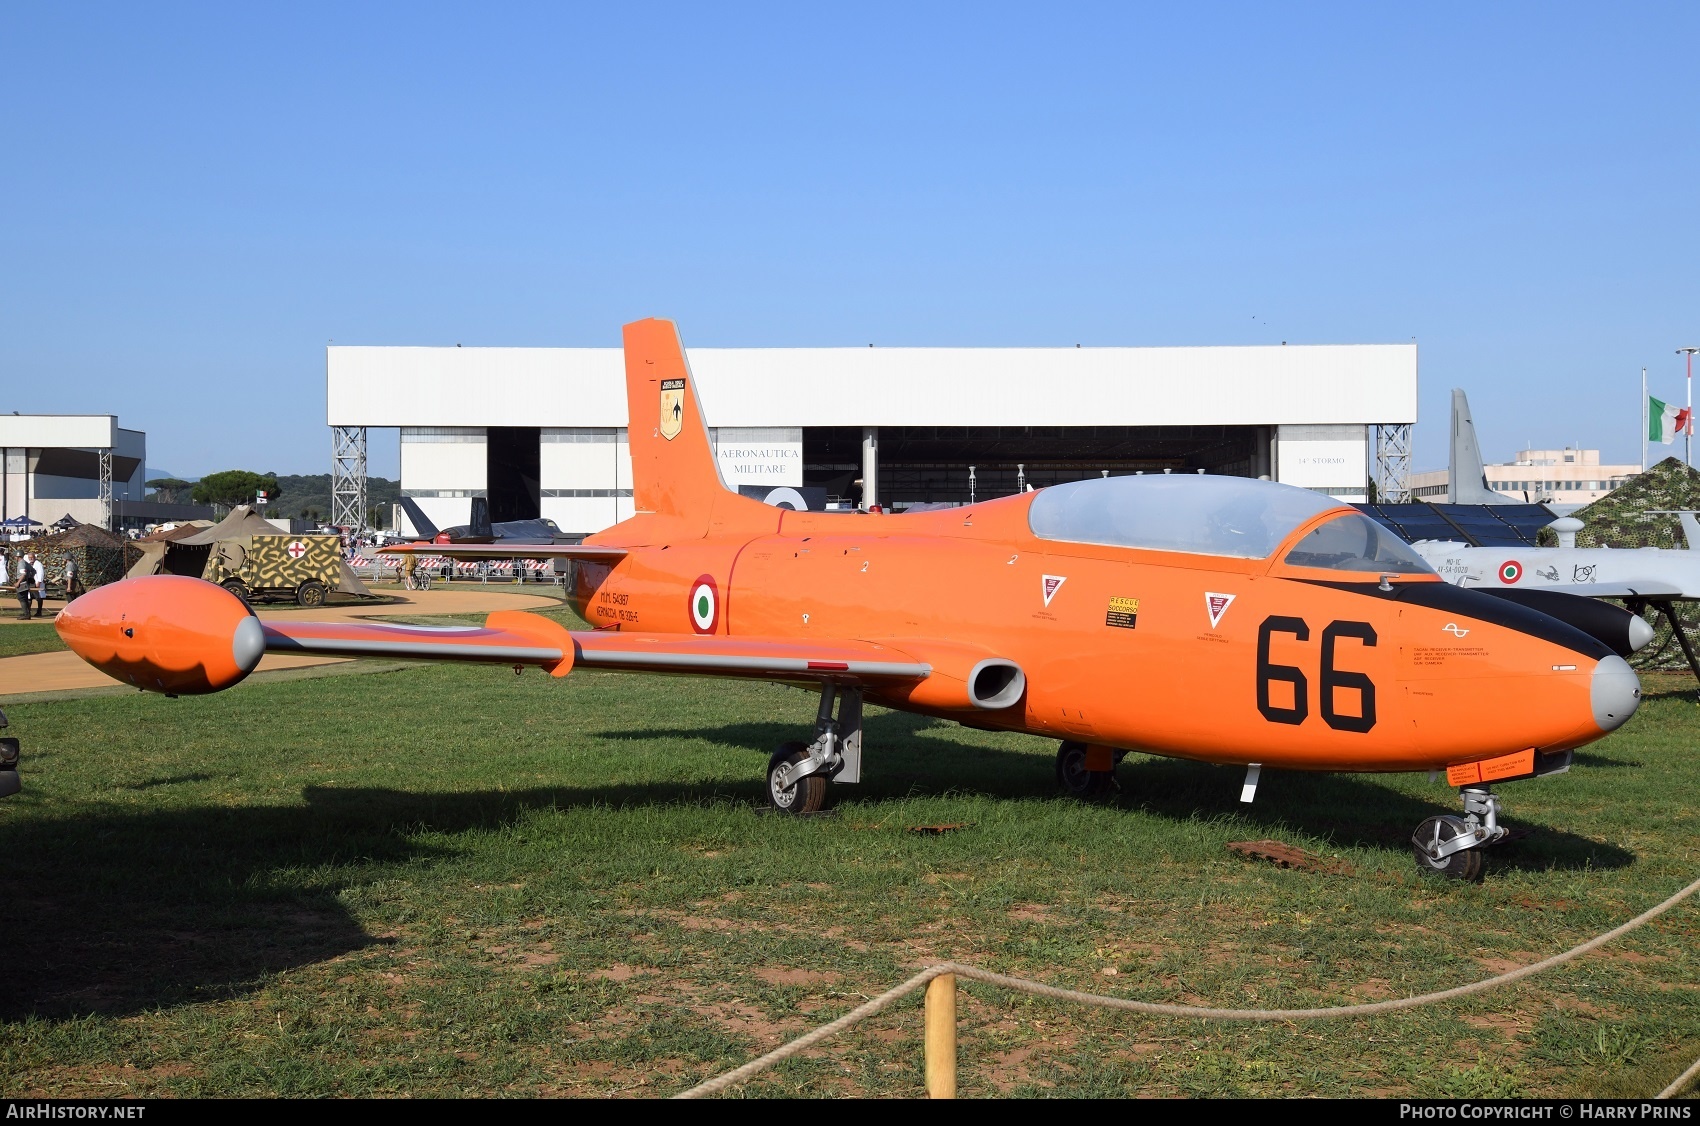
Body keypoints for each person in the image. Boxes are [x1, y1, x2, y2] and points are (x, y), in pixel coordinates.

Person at [15, 552, 36, 620]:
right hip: (25, 582)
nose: (15, 558)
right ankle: (27, 613)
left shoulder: (21, 563)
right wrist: (30, 577)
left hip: (22, 582)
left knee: (22, 598)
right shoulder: (25, 562)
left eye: (15, 556)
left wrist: (18, 582)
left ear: (18, 556)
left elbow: (23, 574)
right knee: (24, 598)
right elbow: (33, 571)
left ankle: (26, 614)